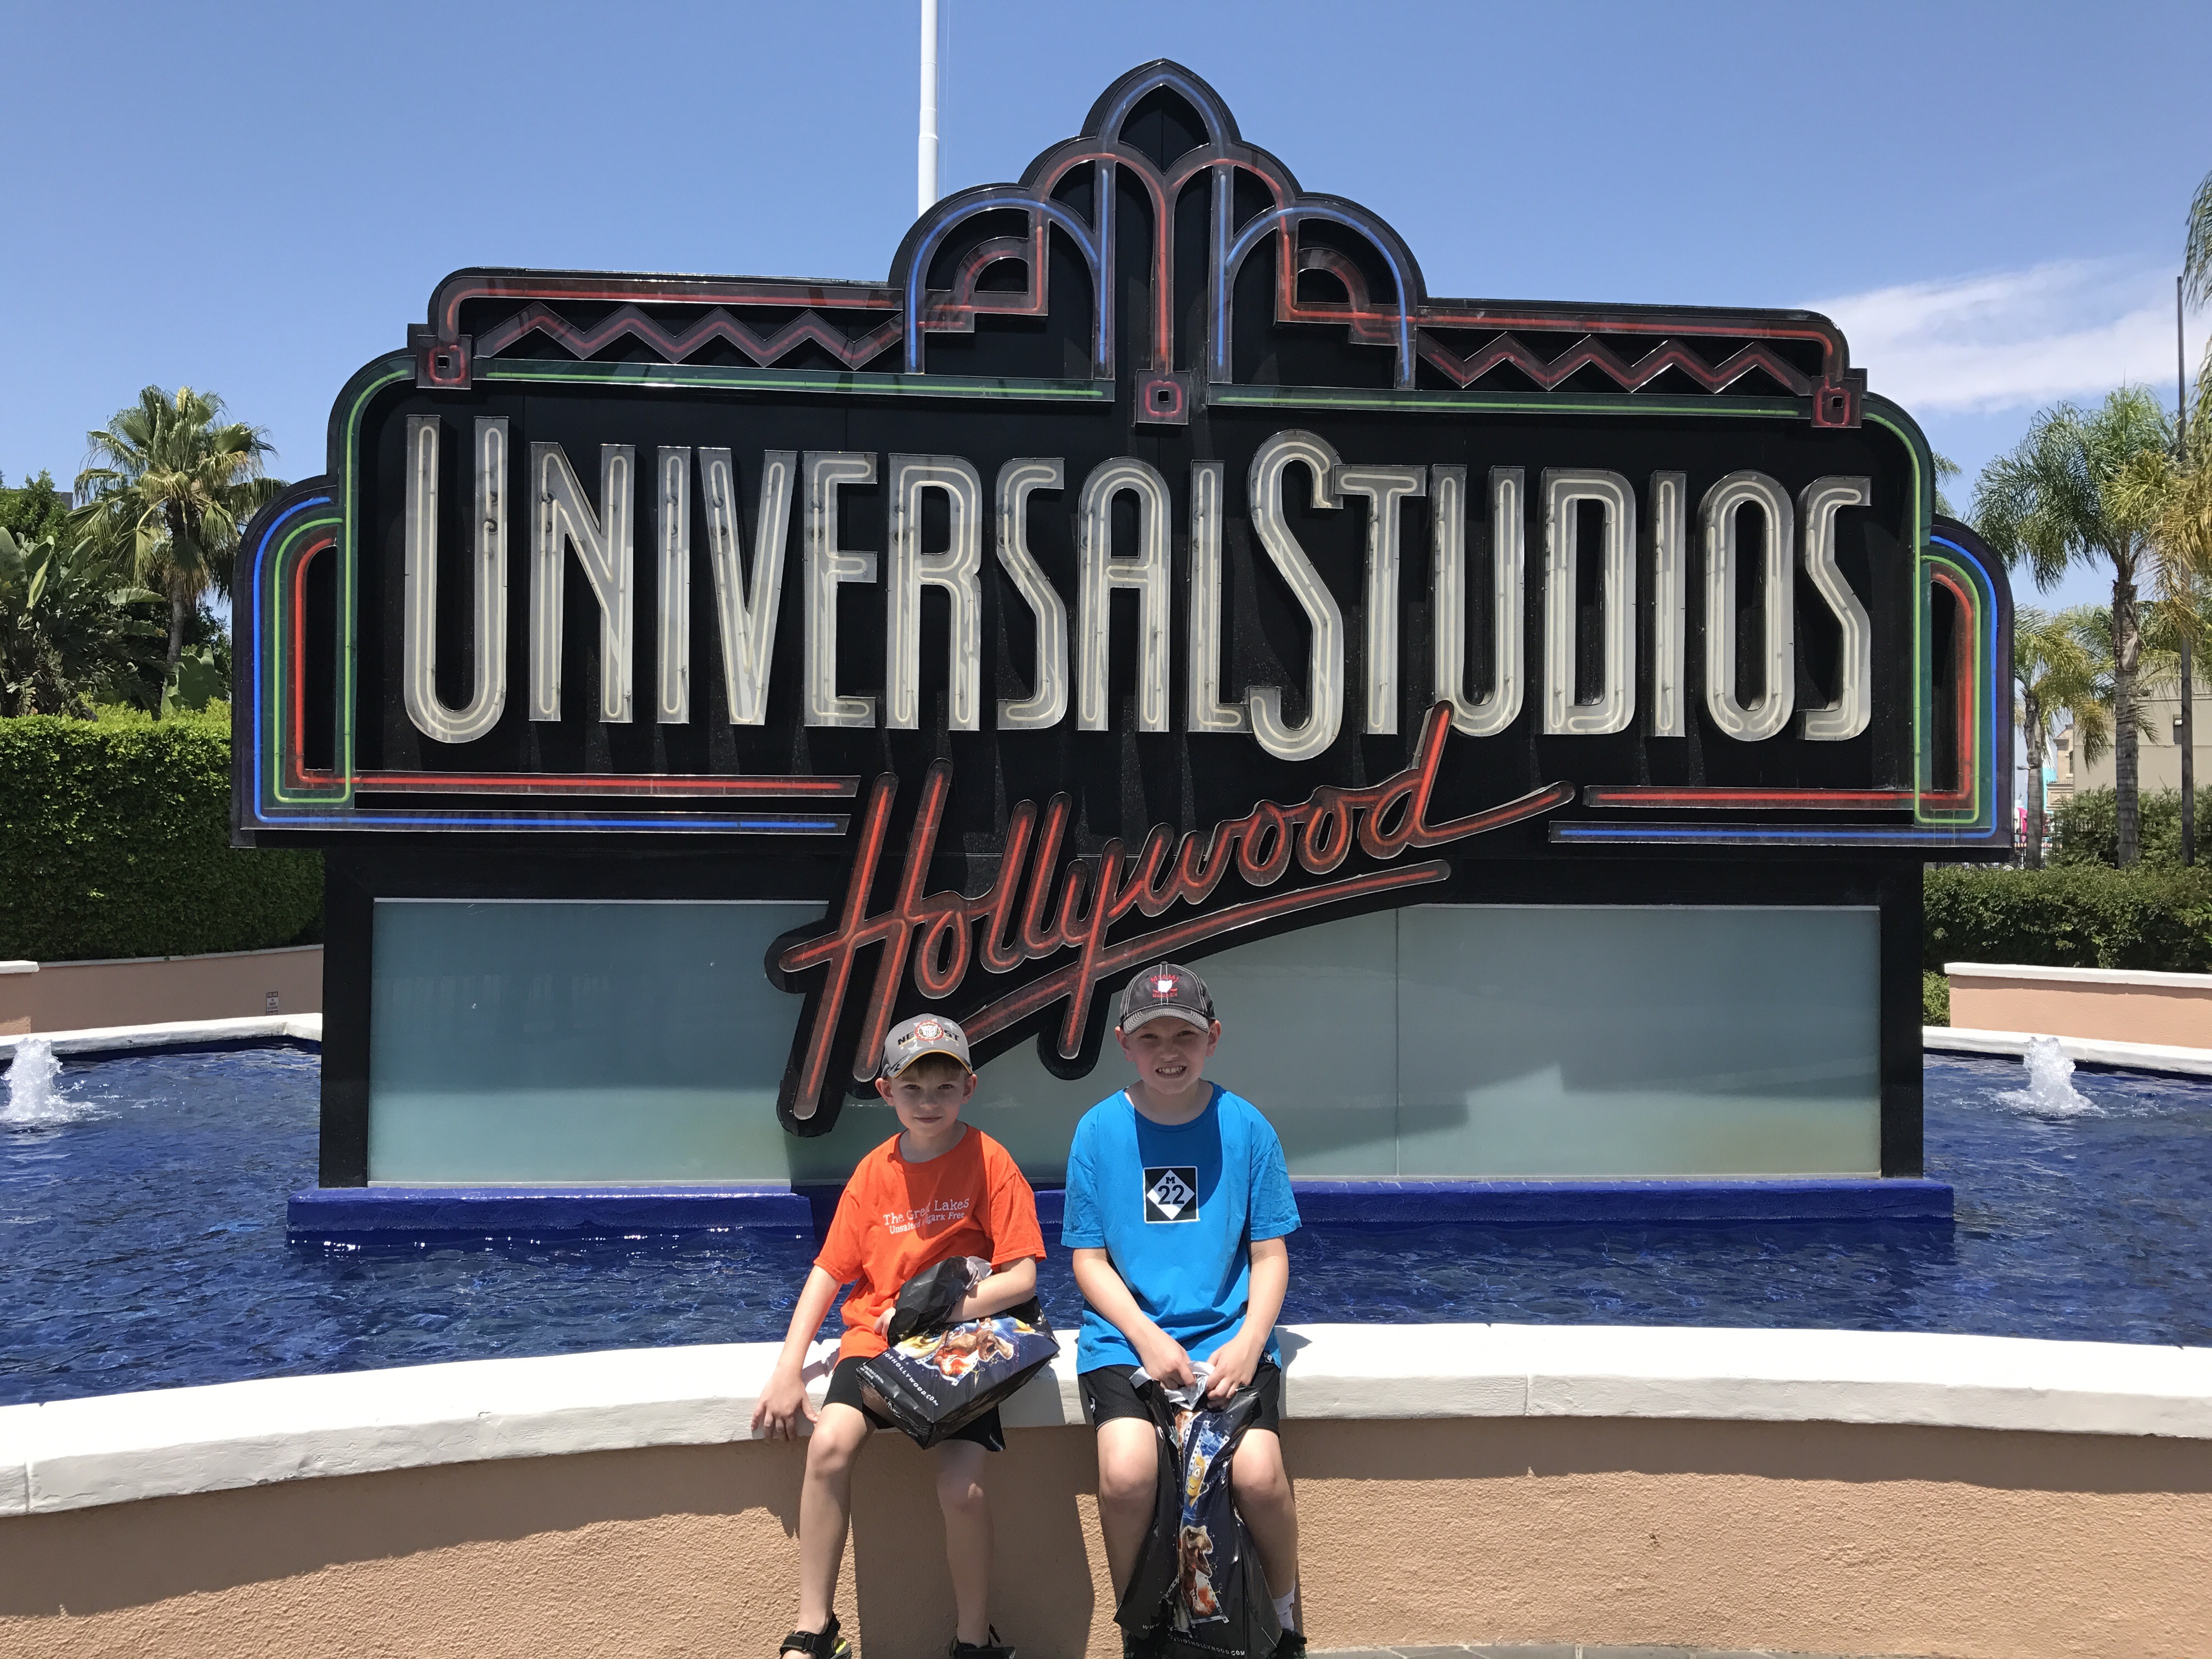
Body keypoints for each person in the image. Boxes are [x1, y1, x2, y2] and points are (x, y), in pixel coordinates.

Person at [753, 1013, 1046, 1659]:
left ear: (969, 1087)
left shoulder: (990, 1161)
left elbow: (1022, 1276)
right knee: (829, 1447)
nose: (929, 1101)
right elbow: (830, 1271)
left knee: (961, 1490)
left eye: (944, 1086)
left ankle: (974, 1639)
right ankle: (814, 1629)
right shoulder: (872, 1172)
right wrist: (788, 1368)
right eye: (912, 1088)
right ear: (887, 1092)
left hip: (957, 1346)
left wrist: (940, 1312)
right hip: (875, 1343)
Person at [1062, 962, 1305, 1655]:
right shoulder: (1097, 1131)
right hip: (1126, 1340)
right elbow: (1089, 1261)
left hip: (1229, 1336)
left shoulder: (1247, 1127)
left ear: (1213, 1038)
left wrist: (1251, 1340)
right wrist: (1145, 1337)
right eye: (1151, 1037)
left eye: (1185, 1036)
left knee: (1259, 1476)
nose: (1168, 1052)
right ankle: (1140, 1629)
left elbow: (1269, 1255)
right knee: (1127, 1474)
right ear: (1124, 1044)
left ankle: (1284, 1618)